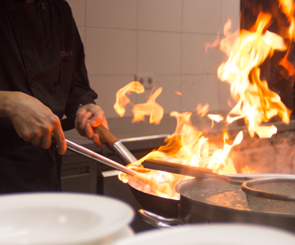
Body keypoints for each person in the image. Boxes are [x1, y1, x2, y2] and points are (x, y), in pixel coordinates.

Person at [0, 0, 108, 193]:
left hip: (45, 165)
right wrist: (9, 103)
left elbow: (75, 82)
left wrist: (83, 106)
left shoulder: (59, 9)